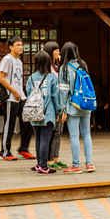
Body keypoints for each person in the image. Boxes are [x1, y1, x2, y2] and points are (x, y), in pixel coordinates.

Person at [58, 42, 94, 174]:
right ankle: (89, 163)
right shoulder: (83, 64)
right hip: (85, 105)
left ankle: (76, 165)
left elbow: (63, 91)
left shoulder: (64, 69)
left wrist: (61, 109)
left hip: (72, 106)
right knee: (86, 134)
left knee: (74, 136)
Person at [0, 36, 35, 161]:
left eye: (21, 44)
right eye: (17, 45)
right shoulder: (7, 59)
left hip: (21, 96)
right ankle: (5, 152)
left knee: (28, 121)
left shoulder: (18, 61)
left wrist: (20, 92)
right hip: (11, 97)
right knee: (10, 124)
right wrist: (13, 91)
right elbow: (1, 78)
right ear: (10, 47)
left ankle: (23, 149)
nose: (21, 47)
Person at [26, 51, 62, 174]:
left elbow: (28, 94)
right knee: (45, 140)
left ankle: (38, 163)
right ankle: (43, 165)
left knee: (38, 139)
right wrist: (58, 111)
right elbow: (55, 96)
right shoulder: (51, 77)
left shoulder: (31, 78)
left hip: (34, 113)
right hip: (48, 113)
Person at [43, 41, 67, 169]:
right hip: (52, 103)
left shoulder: (57, 66)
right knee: (52, 132)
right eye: (56, 50)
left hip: (59, 102)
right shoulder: (48, 68)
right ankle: (49, 159)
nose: (59, 52)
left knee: (58, 131)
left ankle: (56, 157)